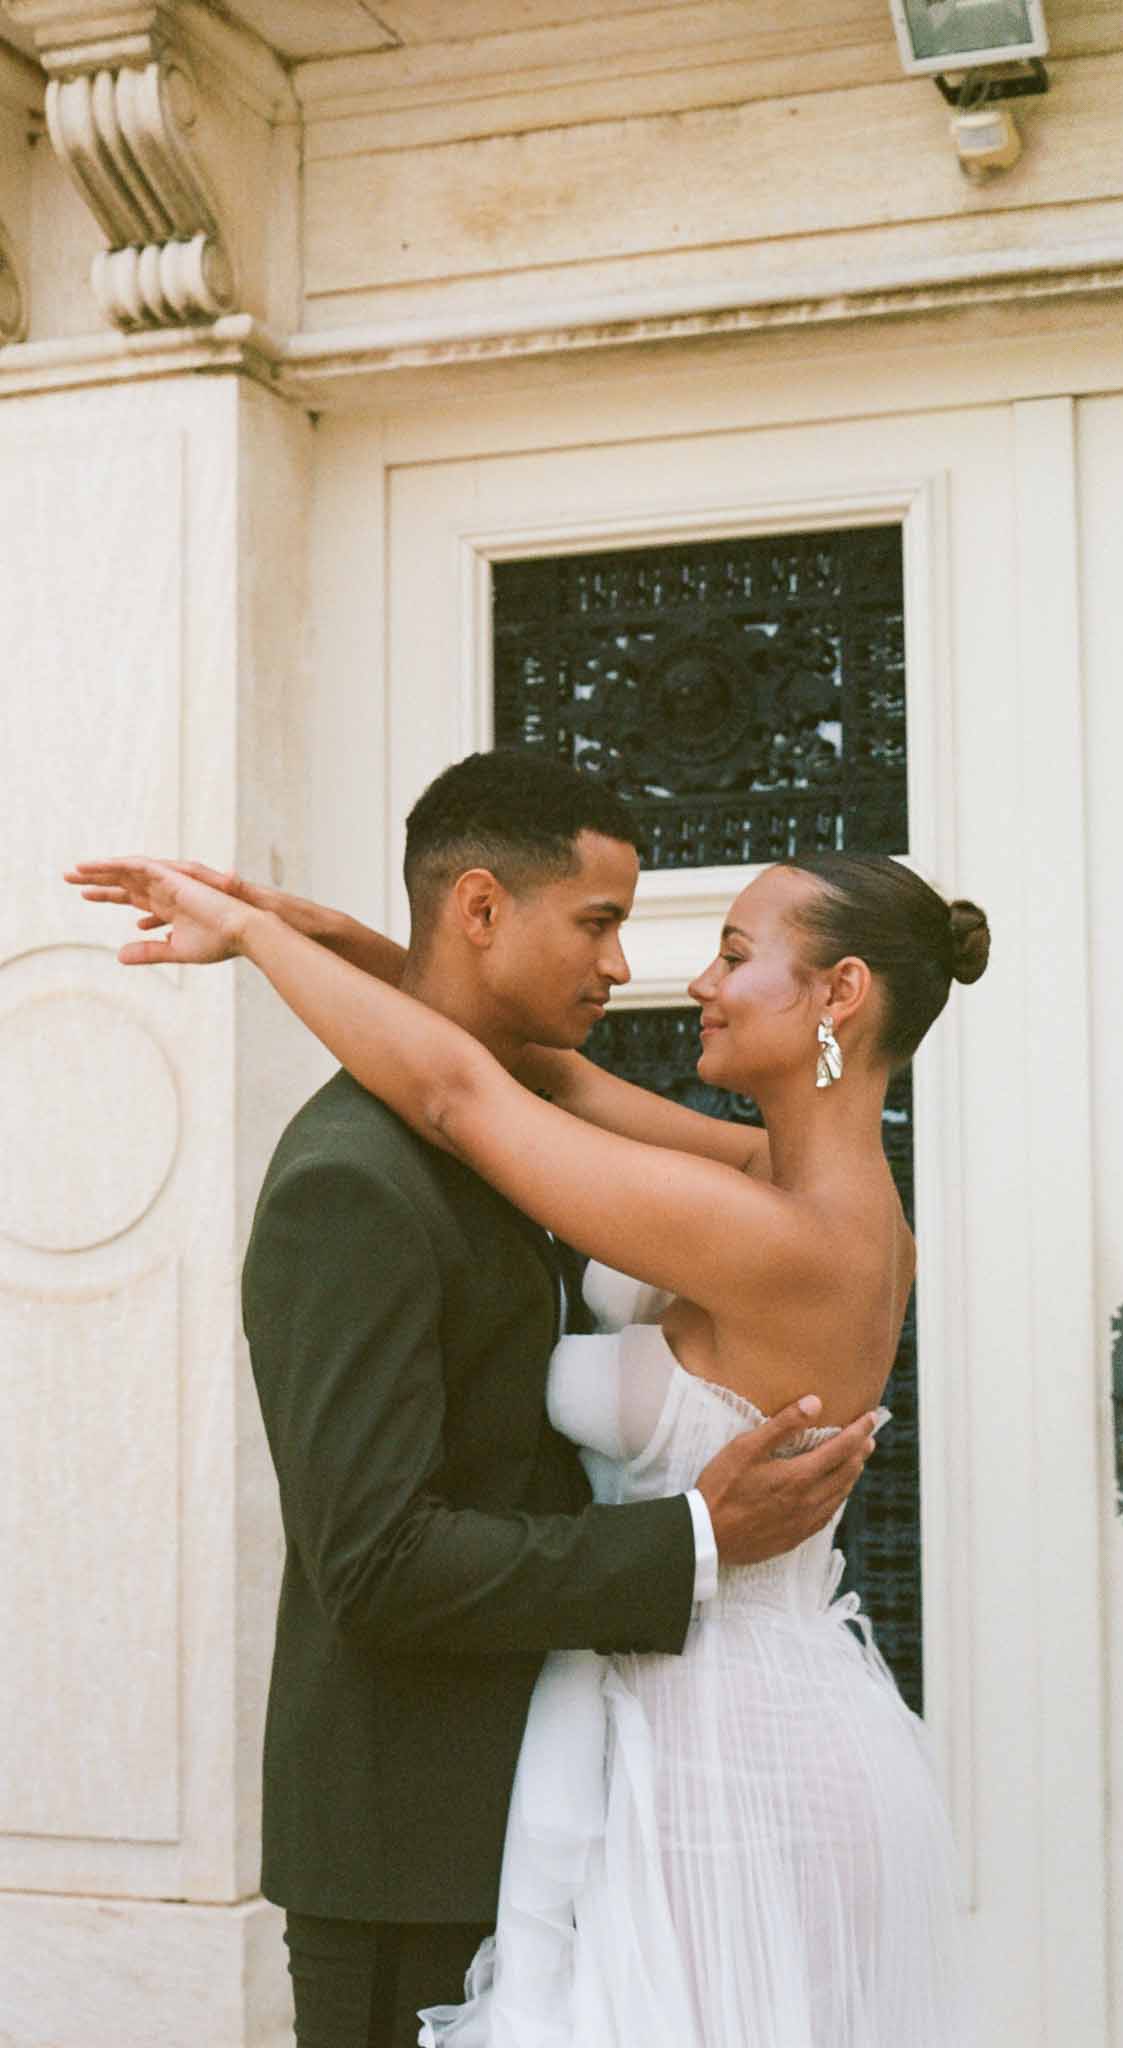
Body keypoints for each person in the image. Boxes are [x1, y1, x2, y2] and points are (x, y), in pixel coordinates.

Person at [69, 767, 988, 2047]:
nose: (678, 979)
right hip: (662, 1742)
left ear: (840, 993)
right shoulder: (789, 1181)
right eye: (602, 924)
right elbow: (520, 1073)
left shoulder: (773, 1228)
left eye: (730, 953)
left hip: (725, 1761)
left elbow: (467, 1096)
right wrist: (337, 934)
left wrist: (259, 940)